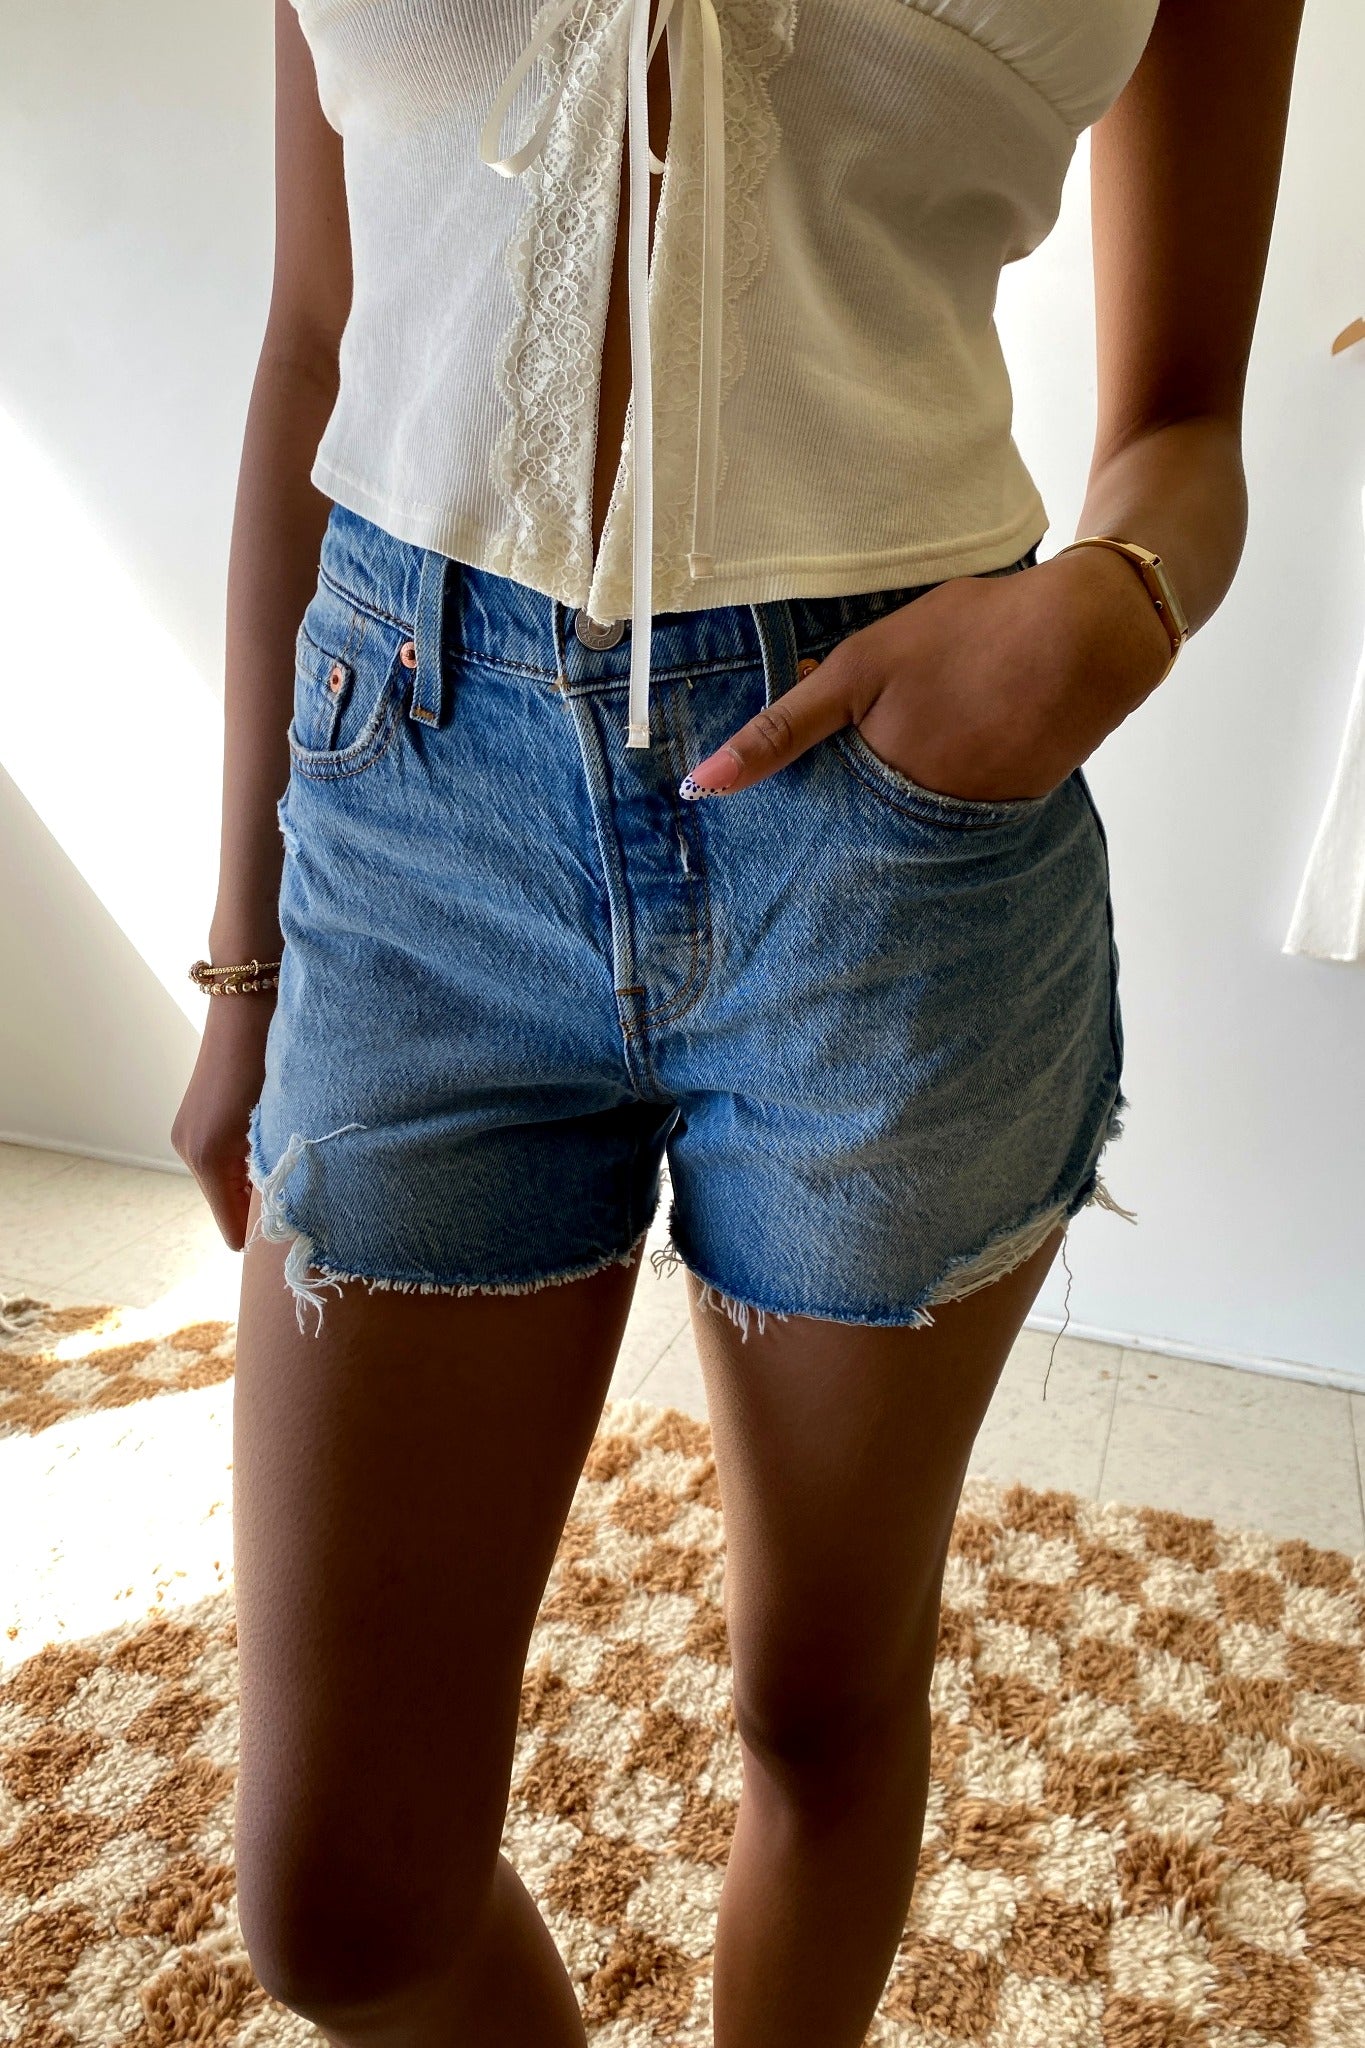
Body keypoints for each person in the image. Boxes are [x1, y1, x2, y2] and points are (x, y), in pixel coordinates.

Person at [172, 0, 1305, 2041]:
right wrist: (244, 955)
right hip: (410, 787)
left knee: (820, 1689)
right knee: (338, 1897)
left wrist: (1105, 609)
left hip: (888, 849)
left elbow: (1186, 429)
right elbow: (312, 338)